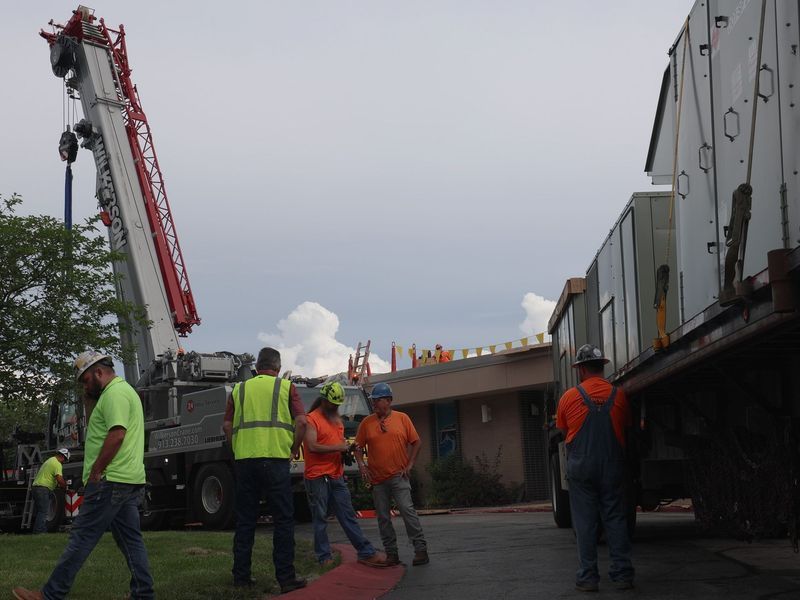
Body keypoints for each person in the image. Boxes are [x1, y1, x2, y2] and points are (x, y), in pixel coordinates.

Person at [13, 350, 154, 600]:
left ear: (99, 372)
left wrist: (97, 470)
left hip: (110, 480)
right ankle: (143, 594)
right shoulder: (122, 392)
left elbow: (117, 435)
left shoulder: (114, 394)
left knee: (82, 537)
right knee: (131, 541)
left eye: (86, 380)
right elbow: (105, 429)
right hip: (127, 480)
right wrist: (89, 397)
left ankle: (50, 595)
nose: (84, 386)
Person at [222, 347, 308, 594]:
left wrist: (236, 449)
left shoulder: (239, 389)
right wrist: (294, 447)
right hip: (275, 460)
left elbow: (227, 425)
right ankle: (286, 578)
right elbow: (301, 421)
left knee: (246, 520)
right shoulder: (285, 387)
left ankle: (241, 578)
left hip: (245, 461)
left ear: (257, 367)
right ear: (278, 368)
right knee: (283, 520)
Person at [556, 344, 635, 592]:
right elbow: (625, 428)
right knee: (615, 518)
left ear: (580, 370)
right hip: (612, 465)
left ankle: (588, 578)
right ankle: (622, 575)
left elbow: (564, 431)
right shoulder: (619, 395)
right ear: (602, 367)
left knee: (585, 522)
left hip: (581, 466)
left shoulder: (568, 397)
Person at [303, 382, 388, 568]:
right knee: (320, 518)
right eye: (332, 403)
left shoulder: (337, 420)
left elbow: (338, 443)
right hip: (317, 477)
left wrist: (346, 451)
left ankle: (365, 552)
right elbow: (311, 446)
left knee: (347, 515)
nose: (335, 407)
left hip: (336, 475)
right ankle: (323, 556)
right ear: (324, 400)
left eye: (337, 404)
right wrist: (339, 447)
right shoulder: (311, 419)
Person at [354, 382, 429, 566]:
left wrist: (410, 464)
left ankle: (420, 550)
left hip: (398, 475)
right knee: (383, 517)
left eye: (377, 400)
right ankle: (391, 554)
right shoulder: (367, 423)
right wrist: (362, 466)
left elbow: (416, 442)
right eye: (373, 401)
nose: (374, 404)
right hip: (377, 479)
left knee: (407, 510)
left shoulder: (402, 418)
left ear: (388, 401)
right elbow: (357, 447)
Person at [31, 448, 70, 534]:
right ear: (64, 457)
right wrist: (65, 487)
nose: (64, 462)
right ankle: (38, 532)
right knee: (43, 512)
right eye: (65, 460)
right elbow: (59, 479)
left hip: (36, 488)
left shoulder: (50, 460)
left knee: (41, 511)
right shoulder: (57, 464)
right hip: (43, 489)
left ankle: (42, 531)